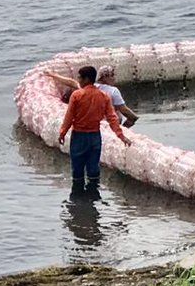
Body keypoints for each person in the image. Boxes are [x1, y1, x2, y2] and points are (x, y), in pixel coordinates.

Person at [57, 66, 132, 197]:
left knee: (77, 169)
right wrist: (121, 136)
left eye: (80, 77)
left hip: (79, 136)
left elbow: (69, 117)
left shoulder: (77, 95)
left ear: (86, 79)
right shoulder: (104, 96)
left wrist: (62, 133)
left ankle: (78, 198)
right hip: (95, 136)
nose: (78, 80)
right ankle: (93, 195)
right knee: (93, 168)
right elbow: (112, 118)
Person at [46, 65, 139, 128]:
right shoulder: (113, 91)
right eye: (112, 75)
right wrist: (133, 119)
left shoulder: (89, 87)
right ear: (104, 77)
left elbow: (72, 83)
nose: (114, 78)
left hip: (92, 123)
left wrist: (53, 74)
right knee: (125, 117)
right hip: (107, 124)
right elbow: (125, 111)